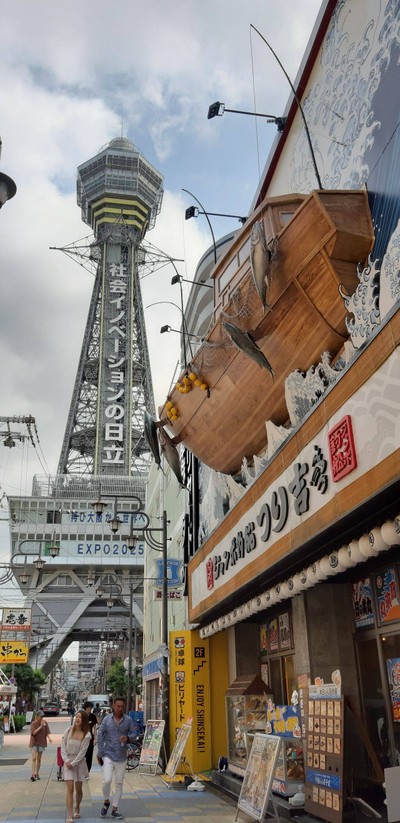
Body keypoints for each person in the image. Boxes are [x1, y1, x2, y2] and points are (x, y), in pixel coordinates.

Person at [97, 697, 137, 820]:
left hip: (122, 756)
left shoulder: (128, 720)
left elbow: (135, 734)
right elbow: (100, 735)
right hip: (108, 754)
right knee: (107, 780)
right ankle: (106, 801)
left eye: (122, 706)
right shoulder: (106, 719)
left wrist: (128, 738)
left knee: (119, 783)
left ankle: (115, 809)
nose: (120, 708)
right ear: (113, 706)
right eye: (118, 706)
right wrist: (100, 752)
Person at [61, 709, 91, 823]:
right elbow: (63, 747)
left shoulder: (86, 735)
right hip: (68, 761)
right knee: (70, 789)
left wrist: (73, 763)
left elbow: (82, 753)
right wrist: (67, 761)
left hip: (79, 763)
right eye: (76, 717)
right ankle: (70, 815)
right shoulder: (68, 731)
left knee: (78, 790)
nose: (77, 719)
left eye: (80, 718)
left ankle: (77, 806)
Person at [29, 709, 52, 781]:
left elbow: (47, 732)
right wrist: (40, 727)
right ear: (37, 717)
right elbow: (33, 733)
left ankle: (36, 773)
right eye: (40, 716)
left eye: (42, 716)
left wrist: (49, 738)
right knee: (34, 758)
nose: (42, 718)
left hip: (42, 742)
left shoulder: (45, 723)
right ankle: (33, 774)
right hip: (34, 742)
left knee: (39, 759)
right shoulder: (33, 724)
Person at [82, 700, 97, 777]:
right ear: (86, 708)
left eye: (91, 708)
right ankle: (81, 771)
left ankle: (87, 771)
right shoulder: (81, 715)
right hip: (82, 739)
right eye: (89, 708)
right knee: (82, 755)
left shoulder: (93, 716)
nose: (90, 709)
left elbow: (94, 728)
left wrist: (95, 738)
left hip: (90, 739)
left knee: (89, 755)